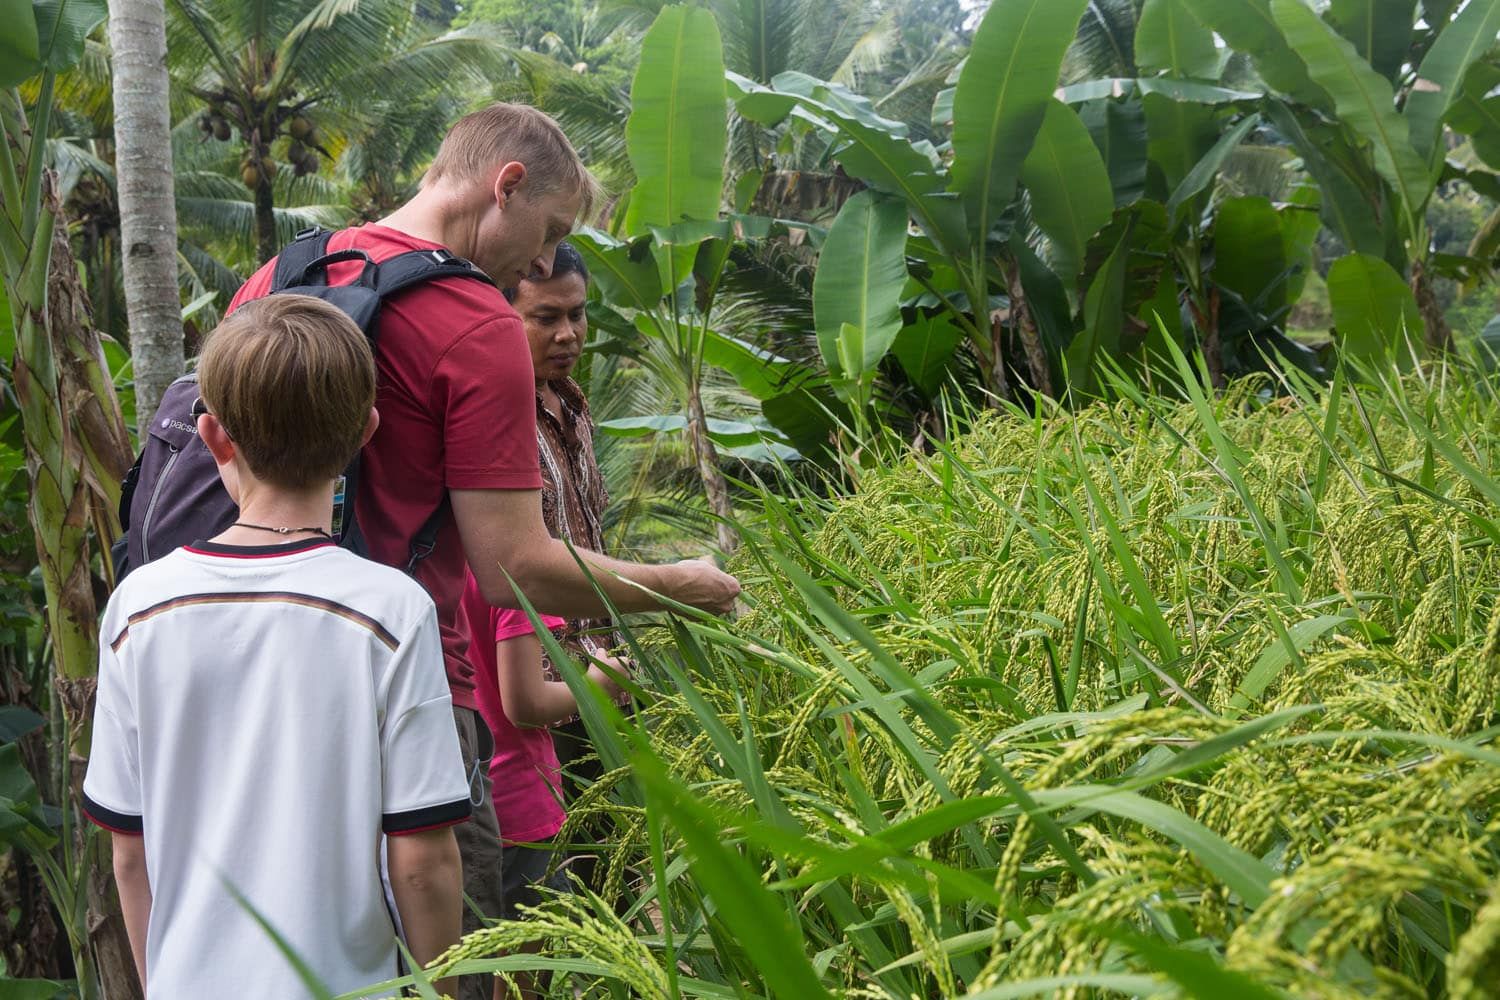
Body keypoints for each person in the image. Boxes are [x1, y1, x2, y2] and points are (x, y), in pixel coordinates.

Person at [225, 103, 740, 998]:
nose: (542, 264)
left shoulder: (281, 275)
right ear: (505, 186)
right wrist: (680, 586)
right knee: (462, 962)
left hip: (261, 684)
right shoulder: (475, 321)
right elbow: (511, 566)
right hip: (413, 690)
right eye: (547, 234)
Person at [82, 295, 471, 998]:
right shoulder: (391, 612)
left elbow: (130, 856)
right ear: (366, 432)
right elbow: (422, 860)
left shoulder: (139, 608)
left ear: (212, 436)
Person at [500, 241, 628, 890]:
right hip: (548, 686)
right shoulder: (496, 422)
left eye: (577, 315)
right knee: (571, 873)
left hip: (604, 672)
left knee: (621, 852)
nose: (569, 334)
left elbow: (589, 533)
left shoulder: (572, 406)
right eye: (546, 318)